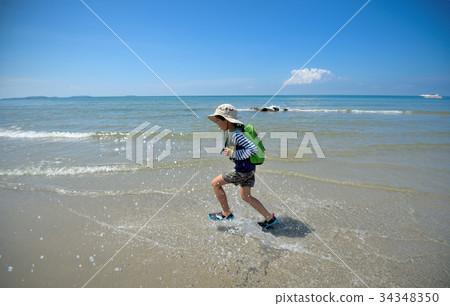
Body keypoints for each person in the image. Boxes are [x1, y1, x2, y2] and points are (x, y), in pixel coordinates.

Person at [207, 104, 278, 229]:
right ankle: (269, 218)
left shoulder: (236, 135)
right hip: (249, 169)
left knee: (215, 184)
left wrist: (233, 153)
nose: (217, 124)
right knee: (246, 196)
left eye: (218, 121)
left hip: (243, 171)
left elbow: (253, 149)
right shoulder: (236, 132)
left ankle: (226, 213)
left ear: (227, 120)